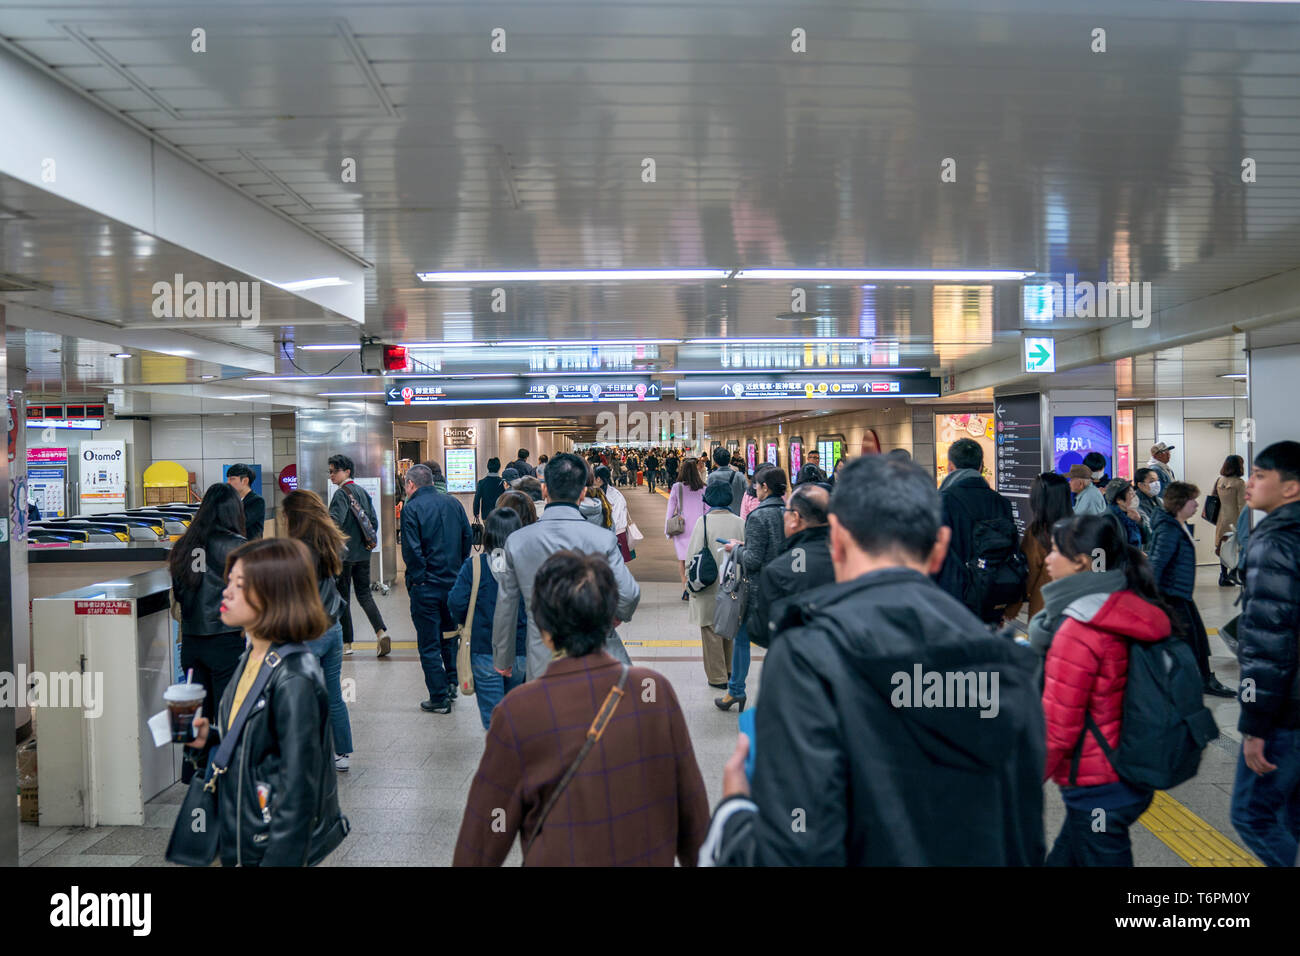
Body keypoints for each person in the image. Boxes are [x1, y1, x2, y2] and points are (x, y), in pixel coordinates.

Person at [699, 455, 1045, 865]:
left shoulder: (808, 654)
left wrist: (734, 813)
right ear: (940, 549)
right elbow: (1023, 841)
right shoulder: (1010, 665)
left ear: (838, 541)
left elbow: (796, 849)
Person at [455, 550, 709, 866]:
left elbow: (481, 842)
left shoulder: (518, 712)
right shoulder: (654, 693)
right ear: (608, 620)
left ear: (544, 631)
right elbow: (695, 825)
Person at [184, 537, 346, 867]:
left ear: (272, 594)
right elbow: (258, 747)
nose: (225, 591)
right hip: (243, 838)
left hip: (267, 848)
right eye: (229, 581)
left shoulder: (295, 677)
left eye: (239, 584)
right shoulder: (252, 658)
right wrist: (211, 740)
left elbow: (298, 795)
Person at [1040, 515, 1169, 866]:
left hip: (1099, 785)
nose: (1047, 559)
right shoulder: (1129, 604)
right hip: (1129, 771)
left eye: (1054, 551)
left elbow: (1058, 726)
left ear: (1082, 561)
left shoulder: (1079, 627)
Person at [491, 453, 639, 682]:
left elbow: (506, 605)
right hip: (596, 658)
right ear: (582, 492)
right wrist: (610, 617)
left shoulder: (518, 541)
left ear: (544, 490)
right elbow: (629, 595)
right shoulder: (602, 539)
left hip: (542, 661)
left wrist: (503, 659)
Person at [1230, 441, 1300, 867]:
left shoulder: (1274, 542)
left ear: (1291, 488)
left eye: (1260, 475)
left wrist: (1255, 725)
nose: (1249, 483)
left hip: (1285, 711)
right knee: (1292, 813)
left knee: (1251, 815)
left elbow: (1269, 643)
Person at [169, 482, 247, 779]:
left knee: (196, 711)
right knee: (227, 709)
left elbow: (177, 596)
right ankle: (225, 771)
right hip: (226, 641)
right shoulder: (238, 546)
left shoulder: (184, 546)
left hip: (191, 642)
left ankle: (193, 771)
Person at [282, 489, 353, 772]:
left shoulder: (296, 550)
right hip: (332, 628)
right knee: (333, 694)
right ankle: (342, 753)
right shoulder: (332, 543)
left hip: (307, 632)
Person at [1148, 481, 1235, 698]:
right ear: (1180, 503)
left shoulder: (1177, 525)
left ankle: (1203, 679)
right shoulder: (1168, 530)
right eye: (1192, 500)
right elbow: (1156, 565)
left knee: (1196, 639)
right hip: (1171, 595)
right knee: (1189, 639)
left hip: (1180, 593)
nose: (1197, 504)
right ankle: (1197, 681)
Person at [401, 463, 473, 714]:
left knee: (429, 642)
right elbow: (467, 537)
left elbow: (411, 549)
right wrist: (461, 567)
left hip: (427, 587)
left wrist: (419, 578)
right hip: (453, 583)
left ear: (411, 484)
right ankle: (452, 681)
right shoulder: (453, 503)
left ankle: (438, 695)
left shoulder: (412, 508)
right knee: (449, 635)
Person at [449, 508, 529, 730]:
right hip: (520, 650)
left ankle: (502, 759)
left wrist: (468, 621)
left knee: (494, 720)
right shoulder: (528, 567)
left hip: (484, 650)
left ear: (488, 534)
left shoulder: (474, 567)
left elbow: (456, 602)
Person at [717, 465, 787, 712]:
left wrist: (735, 549)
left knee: (742, 639)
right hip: (784, 588)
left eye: (756, 486)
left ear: (765, 488)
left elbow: (753, 560)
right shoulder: (790, 513)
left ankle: (735, 691)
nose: (754, 490)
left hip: (758, 591)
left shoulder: (758, 516)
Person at [934, 438, 1022, 624]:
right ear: (981, 466)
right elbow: (1013, 551)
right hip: (994, 593)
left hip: (953, 597)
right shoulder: (1001, 502)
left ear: (950, 466)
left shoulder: (942, 502)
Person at [751, 483, 834, 647]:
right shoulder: (852, 561)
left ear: (796, 518)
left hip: (796, 660)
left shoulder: (778, 570)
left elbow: (761, 632)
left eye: (786, 512)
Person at [328, 454, 390, 658]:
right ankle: (381, 633)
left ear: (347, 471)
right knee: (364, 595)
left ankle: (347, 644)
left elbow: (334, 523)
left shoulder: (340, 495)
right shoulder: (362, 492)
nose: (331, 476)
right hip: (363, 553)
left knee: (343, 598)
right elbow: (373, 522)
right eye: (330, 472)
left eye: (334, 471)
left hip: (343, 556)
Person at [686, 481, 745, 689]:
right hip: (733, 583)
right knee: (729, 628)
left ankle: (717, 677)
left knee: (710, 629)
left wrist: (689, 585)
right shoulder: (740, 522)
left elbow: (692, 556)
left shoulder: (702, 522)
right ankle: (729, 670)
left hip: (709, 585)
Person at [1005, 472, 1072, 625]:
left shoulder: (1038, 533)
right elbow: (1099, 559)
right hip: (1079, 610)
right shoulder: (1083, 527)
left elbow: (1028, 576)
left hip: (1046, 612)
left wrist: (1012, 608)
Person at [666, 456, 707, 599]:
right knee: (697, 558)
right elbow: (707, 509)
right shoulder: (703, 488)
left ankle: (685, 589)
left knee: (683, 560)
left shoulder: (677, 487)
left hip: (682, 528)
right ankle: (696, 585)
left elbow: (670, 509)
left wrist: (668, 531)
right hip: (699, 527)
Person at [1213, 454, 1247, 586]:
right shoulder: (1239, 483)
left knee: (1223, 547)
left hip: (1222, 519)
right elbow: (1242, 505)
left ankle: (1223, 575)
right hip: (1235, 519)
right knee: (1235, 548)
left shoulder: (1219, 481)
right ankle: (1235, 574)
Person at [594, 465, 631, 561]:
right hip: (608, 533)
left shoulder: (615, 495)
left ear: (598, 479)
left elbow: (615, 518)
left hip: (615, 534)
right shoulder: (599, 492)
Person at [1104, 478, 1147, 550]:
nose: (1135, 497)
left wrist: (1140, 521)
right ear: (1119, 500)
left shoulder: (1132, 514)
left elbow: (1146, 539)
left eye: (1134, 493)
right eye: (1131, 494)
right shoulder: (1108, 519)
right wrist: (1135, 554)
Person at [225, 463, 265, 540]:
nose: (228, 482)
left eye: (232, 479)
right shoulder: (230, 500)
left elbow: (240, 523)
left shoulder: (257, 501)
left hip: (251, 548)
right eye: (228, 479)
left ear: (245, 481)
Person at [708, 446, 746, 516]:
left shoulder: (712, 477)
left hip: (717, 516)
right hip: (737, 515)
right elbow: (746, 496)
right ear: (729, 460)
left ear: (715, 461)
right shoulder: (740, 476)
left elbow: (709, 498)